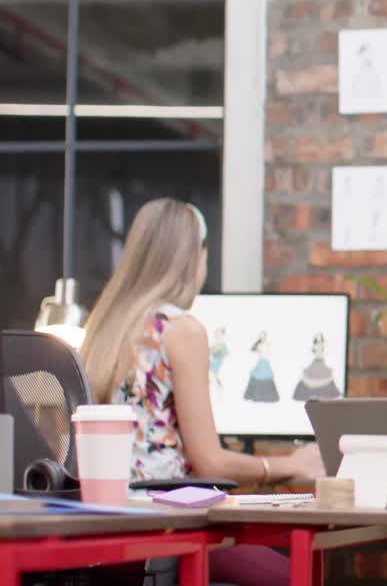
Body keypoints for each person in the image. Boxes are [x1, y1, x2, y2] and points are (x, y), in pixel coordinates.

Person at [79, 198, 325, 586]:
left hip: (107, 533)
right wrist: (292, 464)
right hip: (168, 528)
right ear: (195, 256)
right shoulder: (180, 329)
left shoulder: (102, 328)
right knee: (299, 574)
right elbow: (209, 463)